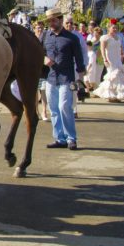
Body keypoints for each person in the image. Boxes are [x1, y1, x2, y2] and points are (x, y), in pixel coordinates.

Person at [41, 8, 86, 150]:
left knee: (64, 107)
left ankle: (71, 138)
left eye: (53, 20)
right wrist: (44, 59)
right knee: (53, 109)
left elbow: (79, 60)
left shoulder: (72, 38)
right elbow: (40, 52)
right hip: (50, 78)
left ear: (61, 20)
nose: (51, 23)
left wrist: (82, 81)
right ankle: (59, 138)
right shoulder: (45, 36)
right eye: (49, 21)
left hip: (67, 78)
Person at [93, 22, 124, 103]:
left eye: (116, 28)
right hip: (110, 58)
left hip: (117, 58)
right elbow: (102, 49)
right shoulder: (105, 37)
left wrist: (122, 53)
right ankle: (110, 95)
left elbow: (120, 46)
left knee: (119, 75)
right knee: (111, 76)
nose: (115, 29)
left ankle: (117, 94)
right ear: (109, 28)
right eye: (113, 28)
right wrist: (105, 59)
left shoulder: (118, 37)